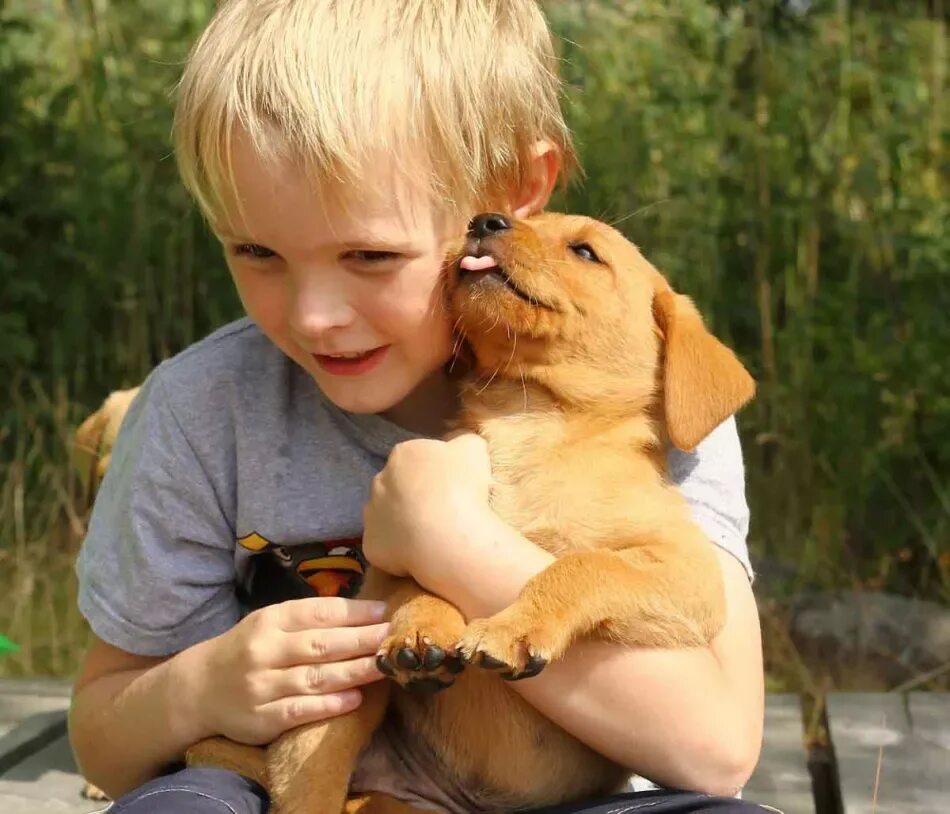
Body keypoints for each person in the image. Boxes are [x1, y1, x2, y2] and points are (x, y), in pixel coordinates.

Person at [68, 1, 768, 812]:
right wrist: (202, 686)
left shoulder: (644, 391)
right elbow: (107, 743)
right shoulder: (199, 411)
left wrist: (450, 545)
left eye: (370, 255)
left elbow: (716, 754)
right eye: (254, 251)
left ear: (515, 191)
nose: (313, 317)